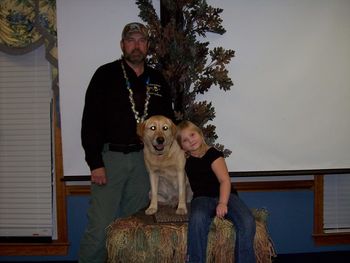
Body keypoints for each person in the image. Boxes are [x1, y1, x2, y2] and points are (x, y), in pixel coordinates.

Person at [79, 22, 174, 263]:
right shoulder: (105, 75)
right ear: (122, 45)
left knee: (135, 227)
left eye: (141, 40)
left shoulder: (158, 79)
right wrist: (95, 163)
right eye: (131, 40)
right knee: (100, 227)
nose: (136, 45)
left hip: (145, 162)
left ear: (148, 45)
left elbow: (169, 123)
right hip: (111, 160)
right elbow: (90, 121)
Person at [176, 121, 256, 263]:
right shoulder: (184, 159)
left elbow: (225, 181)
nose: (191, 141)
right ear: (182, 146)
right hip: (202, 198)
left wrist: (222, 203)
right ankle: (195, 259)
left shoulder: (213, 154)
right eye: (185, 140)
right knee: (197, 219)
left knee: (247, 221)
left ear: (200, 134)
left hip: (225, 194)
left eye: (192, 135)